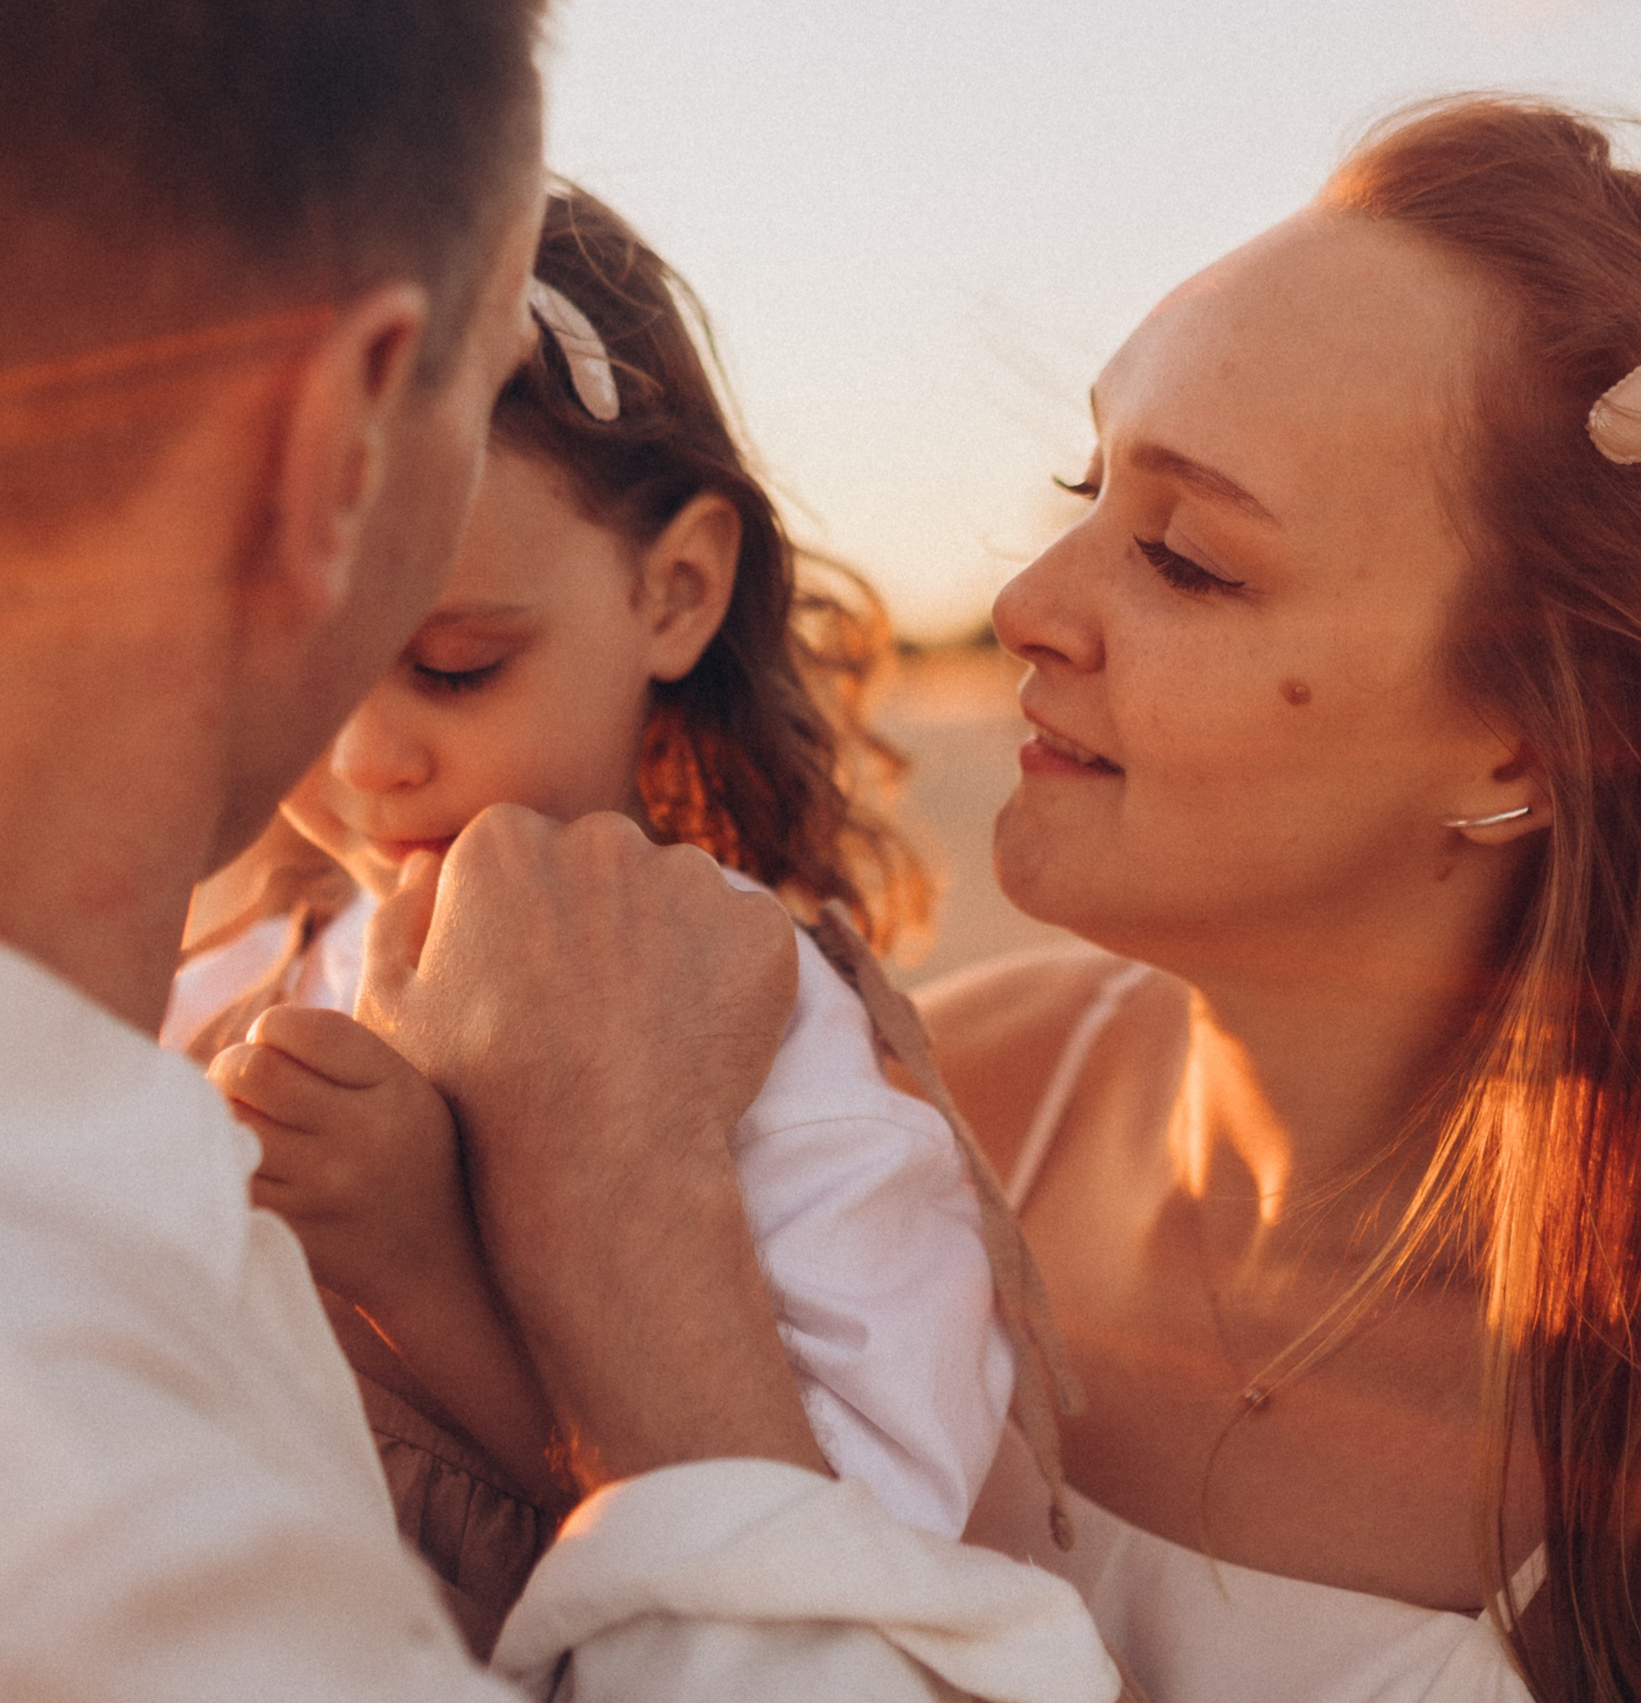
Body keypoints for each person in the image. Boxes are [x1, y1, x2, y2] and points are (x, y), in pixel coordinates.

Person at [0, 4, 1115, 1700]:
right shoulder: (66, 1560)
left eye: (463, 663)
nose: (387, 750)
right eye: (473, 405)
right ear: (335, 446)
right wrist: (599, 1245)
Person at [938, 97, 1641, 1702]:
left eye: (1186, 558)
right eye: (1087, 486)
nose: (1029, 607)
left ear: (1536, 729)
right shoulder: (936, 1108)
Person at [164, 186, 1013, 1650]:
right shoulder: (241, 957)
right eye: (302, 665)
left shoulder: (776, 1044)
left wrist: (423, 1264)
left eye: (454, 666)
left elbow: (852, 1582)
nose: (368, 758)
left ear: (674, 591)